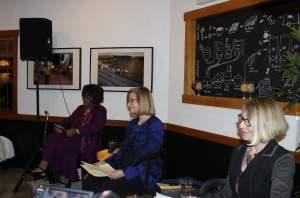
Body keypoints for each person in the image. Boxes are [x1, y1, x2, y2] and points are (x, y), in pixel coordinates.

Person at [203, 97, 295, 198]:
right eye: (241, 119)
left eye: (247, 121)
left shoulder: (282, 159)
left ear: (265, 125)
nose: (241, 125)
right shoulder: (239, 151)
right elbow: (228, 193)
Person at [83, 87, 164, 195]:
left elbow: (148, 157)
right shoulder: (132, 124)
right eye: (128, 101)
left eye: (132, 101)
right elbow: (123, 151)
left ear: (143, 100)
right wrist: (105, 163)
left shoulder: (155, 125)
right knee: (90, 181)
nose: (128, 105)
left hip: (142, 173)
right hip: (123, 166)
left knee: (107, 189)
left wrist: (124, 173)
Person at [32, 84, 107, 183]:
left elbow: (95, 127)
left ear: (95, 98)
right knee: (53, 137)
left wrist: (76, 130)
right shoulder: (81, 108)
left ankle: (62, 175)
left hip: (87, 142)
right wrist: (60, 126)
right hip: (72, 137)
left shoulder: (100, 111)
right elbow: (69, 119)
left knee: (64, 145)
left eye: (87, 97)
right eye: (83, 96)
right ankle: (44, 165)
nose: (84, 99)